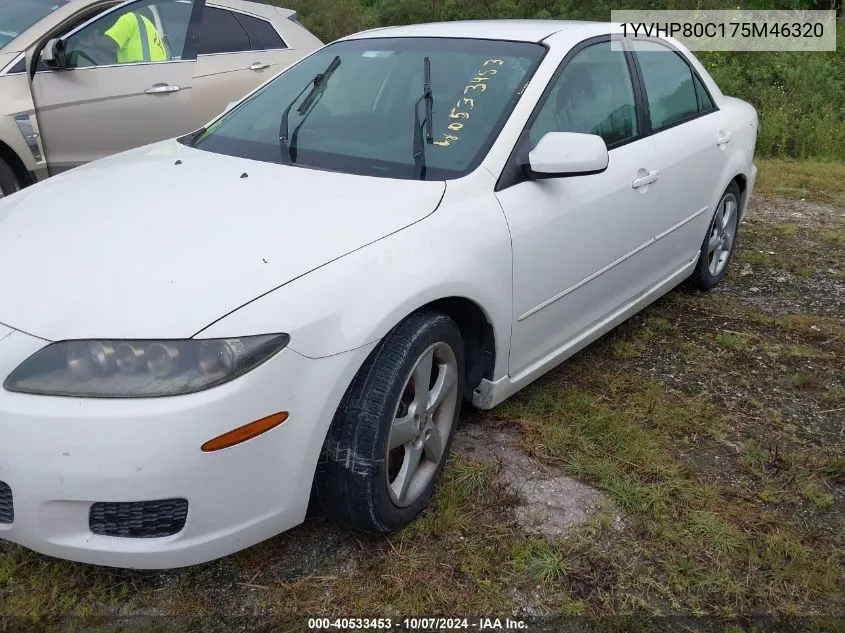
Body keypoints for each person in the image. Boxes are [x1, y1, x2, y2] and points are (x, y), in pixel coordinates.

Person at [77, 7, 167, 64]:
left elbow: (107, 42)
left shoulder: (129, 19)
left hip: (141, 74)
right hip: (154, 74)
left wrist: (91, 40)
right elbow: (113, 64)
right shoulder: (147, 27)